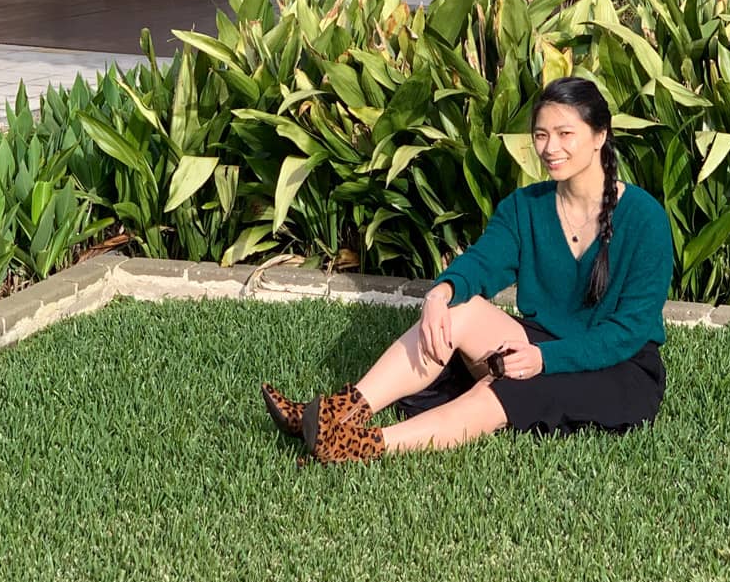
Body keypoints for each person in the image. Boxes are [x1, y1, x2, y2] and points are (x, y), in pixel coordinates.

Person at [261, 76, 675, 464]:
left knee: (512, 382)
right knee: (458, 311)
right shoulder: (526, 206)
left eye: (566, 134)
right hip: (544, 341)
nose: (551, 148)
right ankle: (340, 412)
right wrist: (440, 294)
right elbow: (482, 263)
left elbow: (628, 332)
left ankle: (367, 445)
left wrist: (543, 358)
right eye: (541, 135)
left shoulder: (645, 219)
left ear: (600, 136)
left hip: (618, 368)